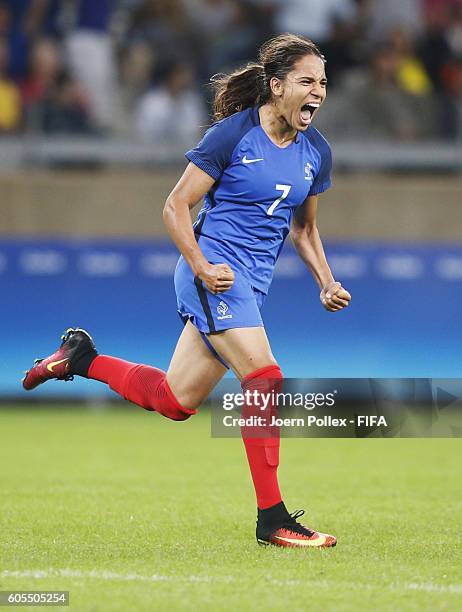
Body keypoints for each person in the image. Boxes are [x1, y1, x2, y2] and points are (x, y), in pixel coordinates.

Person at [23, 33, 351, 549]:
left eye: (323, 83)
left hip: (247, 286)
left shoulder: (316, 152)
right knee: (264, 377)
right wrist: (200, 266)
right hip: (214, 273)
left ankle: (81, 359)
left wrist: (326, 281)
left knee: (176, 401)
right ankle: (274, 519)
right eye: (306, 81)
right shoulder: (231, 136)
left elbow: (304, 230)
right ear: (276, 85)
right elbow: (175, 206)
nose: (317, 93)